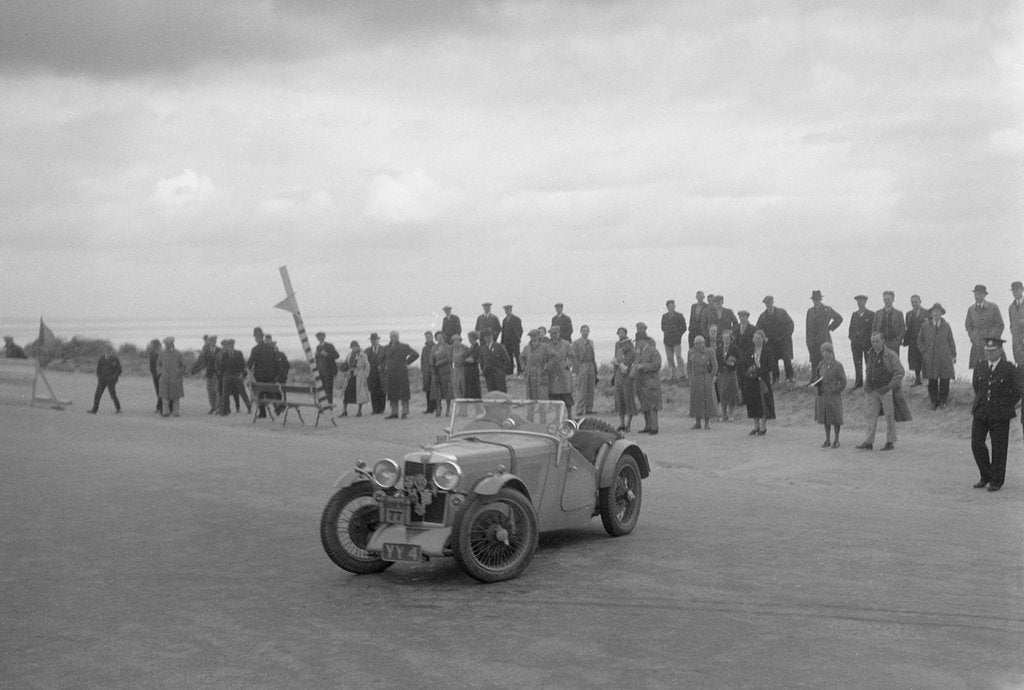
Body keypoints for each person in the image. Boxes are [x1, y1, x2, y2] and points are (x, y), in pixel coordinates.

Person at [970, 338, 1020, 492]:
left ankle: (996, 481)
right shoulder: (980, 366)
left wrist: (1005, 405)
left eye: (993, 351)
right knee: (976, 443)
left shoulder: (1009, 368)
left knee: (999, 448)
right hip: (981, 411)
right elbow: (977, 386)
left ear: (1000, 351)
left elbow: (1017, 391)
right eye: (987, 350)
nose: (989, 353)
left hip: (1000, 414)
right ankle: (986, 475)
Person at [855, 332, 908, 451]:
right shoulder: (870, 354)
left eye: (877, 341)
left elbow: (900, 372)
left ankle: (890, 442)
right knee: (870, 416)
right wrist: (866, 385)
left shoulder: (890, 355)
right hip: (871, 391)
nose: (875, 344)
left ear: (883, 341)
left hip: (886, 390)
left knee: (889, 416)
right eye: (873, 341)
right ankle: (868, 442)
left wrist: (890, 386)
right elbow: (868, 371)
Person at [917, 303, 956, 410]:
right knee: (932, 379)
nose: (935, 313)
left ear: (941, 313)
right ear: (931, 313)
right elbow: (919, 341)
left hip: (944, 356)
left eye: (938, 311)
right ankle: (934, 402)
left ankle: (943, 401)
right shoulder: (925, 326)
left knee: (945, 379)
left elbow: (951, 341)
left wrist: (953, 355)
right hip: (930, 357)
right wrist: (924, 351)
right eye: (934, 311)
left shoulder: (946, 326)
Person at [741, 330, 775, 435]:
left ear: (763, 339)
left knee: (763, 404)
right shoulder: (749, 352)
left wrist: (758, 372)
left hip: (763, 381)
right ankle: (755, 426)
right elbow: (744, 365)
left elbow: (770, 366)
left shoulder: (768, 352)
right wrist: (749, 372)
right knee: (753, 404)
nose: (757, 340)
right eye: (755, 338)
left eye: (759, 338)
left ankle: (763, 427)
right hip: (751, 382)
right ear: (752, 339)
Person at [755, 295, 795, 384]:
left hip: (783, 342)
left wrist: (787, 335)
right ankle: (775, 379)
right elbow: (758, 329)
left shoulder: (782, 312)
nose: (768, 304)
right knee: (773, 361)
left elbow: (790, 324)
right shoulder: (763, 316)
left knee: (786, 359)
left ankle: (790, 378)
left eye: (769, 302)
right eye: (766, 303)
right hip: (771, 342)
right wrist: (764, 338)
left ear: (772, 302)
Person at [814, 342, 847, 448]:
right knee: (825, 418)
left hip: (833, 395)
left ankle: (836, 439)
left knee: (836, 418)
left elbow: (843, 381)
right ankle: (827, 439)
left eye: (826, 351)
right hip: (823, 394)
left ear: (831, 352)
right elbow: (817, 377)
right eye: (823, 352)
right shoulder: (820, 364)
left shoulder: (837, 365)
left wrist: (835, 389)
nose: (824, 354)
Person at [806, 290, 844, 381]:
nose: (816, 301)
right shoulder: (810, 311)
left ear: (820, 299)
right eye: (814, 299)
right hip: (813, 340)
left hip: (824, 339)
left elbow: (839, 318)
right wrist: (808, 339)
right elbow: (807, 326)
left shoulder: (827, 309)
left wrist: (830, 328)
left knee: (828, 359)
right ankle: (814, 379)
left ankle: (830, 379)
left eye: (818, 299)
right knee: (814, 360)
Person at [380, 331, 418, 419]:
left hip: (401, 373)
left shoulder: (404, 346)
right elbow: (381, 358)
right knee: (392, 393)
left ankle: (404, 412)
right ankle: (394, 412)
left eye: (396, 336)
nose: (394, 337)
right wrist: (383, 367)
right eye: (393, 336)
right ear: (390, 337)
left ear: (398, 337)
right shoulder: (386, 348)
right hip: (391, 373)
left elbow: (415, 354)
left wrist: (407, 362)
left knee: (404, 393)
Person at [965, 284, 1004, 368]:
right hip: (977, 344)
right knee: (978, 369)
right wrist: (973, 336)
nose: (977, 296)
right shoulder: (971, 309)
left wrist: (993, 338)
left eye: (979, 294)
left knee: (995, 367)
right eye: (975, 294)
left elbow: (1000, 325)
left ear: (984, 295)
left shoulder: (993, 307)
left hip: (991, 344)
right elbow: (968, 325)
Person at [631, 335, 662, 434]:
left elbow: (657, 365)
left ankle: (654, 426)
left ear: (644, 341)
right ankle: (648, 425)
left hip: (651, 381)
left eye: (638, 341)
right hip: (641, 382)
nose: (637, 343)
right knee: (645, 404)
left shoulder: (653, 351)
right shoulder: (638, 353)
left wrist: (643, 366)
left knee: (653, 405)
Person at [687, 335, 718, 429]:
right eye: (696, 343)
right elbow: (688, 366)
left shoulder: (710, 351)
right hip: (695, 379)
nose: (698, 345)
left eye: (700, 343)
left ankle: (707, 422)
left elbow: (715, 366)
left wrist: (710, 377)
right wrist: (690, 377)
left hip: (706, 378)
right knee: (696, 400)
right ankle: (697, 422)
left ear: (704, 343)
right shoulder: (691, 352)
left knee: (707, 400)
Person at [247, 330, 278, 418]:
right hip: (270, 375)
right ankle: (276, 406)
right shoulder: (270, 348)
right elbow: (276, 362)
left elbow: (250, 363)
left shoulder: (255, 349)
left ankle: (262, 412)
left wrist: (245, 374)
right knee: (269, 392)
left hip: (259, 376)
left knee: (259, 393)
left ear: (257, 338)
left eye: (255, 337)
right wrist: (275, 374)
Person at [611, 327, 637, 432]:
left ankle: (628, 424)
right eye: (622, 344)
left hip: (628, 379)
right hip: (618, 378)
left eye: (626, 344)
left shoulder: (633, 353)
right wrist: (615, 366)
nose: (624, 346)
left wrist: (625, 367)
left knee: (629, 401)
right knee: (619, 400)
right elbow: (616, 363)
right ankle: (621, 423)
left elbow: (634, 366)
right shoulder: (619, 352)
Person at [216, 339, 250, 415]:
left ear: (234, 345)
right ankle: (224, 411)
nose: (230, 346)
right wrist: (221, 375)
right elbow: (222, 366)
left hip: (236, 375)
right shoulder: (224, 354)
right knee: (225, 394)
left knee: (242, 392)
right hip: (227, 375)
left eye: (232, 344)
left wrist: (243, 374)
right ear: (227, 346)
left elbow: (242, 365)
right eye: (229, 345)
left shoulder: (238, 353)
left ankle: (249, 407)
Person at [847, 294, 874, 389]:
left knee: (869, 363)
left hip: (867, 344)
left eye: (861, 301)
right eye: (858, 301)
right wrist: (853, 338)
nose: (859, 303)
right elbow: (850, 330)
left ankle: (869, 382)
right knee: (857, 363)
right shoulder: (854, 315)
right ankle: (858, 382)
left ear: (865, 302)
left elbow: (873, 330)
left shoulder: (871, 314)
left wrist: (869, 340)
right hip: (856, 344)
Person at [570, 325, 597, 416]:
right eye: (583, 331)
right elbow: (574, 357)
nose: (585, 332)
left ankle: (589, 408)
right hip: (582, 365)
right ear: (581, 332)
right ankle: (579, 409)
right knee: (582, 389)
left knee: (591, 388)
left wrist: (595, 369)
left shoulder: (591, 342)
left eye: (587, 330)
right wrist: (576, 370)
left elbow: (593, 357)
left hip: (590, 365)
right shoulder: (576, 343)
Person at [190, 335, 221, 414]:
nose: (213, 342)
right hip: (209, 374)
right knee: (210, 391)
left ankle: (218, 407)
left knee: (217, 391)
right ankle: (213, 407)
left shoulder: (220, 350)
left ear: (216, 341)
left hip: (217, 374)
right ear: (209, 342)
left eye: (214, 341)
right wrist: (194, 370)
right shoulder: (206, 351)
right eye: (211, 341)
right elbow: (202, 362)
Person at [716, 329, 742, 422]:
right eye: (724, 338)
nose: (726, 340)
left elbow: (740, 360)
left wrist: (734, 363)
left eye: (727, 338)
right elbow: (716, 362)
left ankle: (730, 414)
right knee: (722, 394)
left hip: (731, 373)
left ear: (731, 339)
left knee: (731, 394)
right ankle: (723, 414)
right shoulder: (718, 348)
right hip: (721, 373)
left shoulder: (734, 348)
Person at [546, 325, 574, 412]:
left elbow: (572, 357)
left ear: (559, 333)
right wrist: (546, 366)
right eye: (552, 333)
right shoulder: (547, 345)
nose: (554, 335)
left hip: (563, 371)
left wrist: (568, 364)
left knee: (566, 395)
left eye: (555, 333)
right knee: (554, 396)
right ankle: (556, 416)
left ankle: (570, 415)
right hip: (552, 372)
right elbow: (543, 358)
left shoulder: (566, 344)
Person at [157, 336, 186, 417]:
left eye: (167, 344)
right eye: (165, 344)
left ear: (172, 344)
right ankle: (165, 412)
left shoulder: (178, 354)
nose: (166, 346)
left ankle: (176, 412)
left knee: (176, 397)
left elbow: (184, 365)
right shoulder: (162, 354)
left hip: (175, 379)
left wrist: (179, 373)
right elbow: (158, 364)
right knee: (164, 396)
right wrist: (160, 373)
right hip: (164, 379)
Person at [872, 290, 906, 360]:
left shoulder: (898, 313)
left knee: (894, 363)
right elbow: (874, 327)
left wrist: (898, 341)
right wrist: (875, 340)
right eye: (885, 299)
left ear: (893, 299)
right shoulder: (878, 313)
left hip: (893, 343)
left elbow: (902, 329)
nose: (886, 301)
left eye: (888, 299)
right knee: (881, 363)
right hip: (880, 343)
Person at [88, 345, 122, 414]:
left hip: (111, 380)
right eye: (107, 350)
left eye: (109, 350)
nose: (108, 352)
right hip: (102, 379)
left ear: (111, 351)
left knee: (113, 395)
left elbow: (119, 370)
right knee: (97, 395)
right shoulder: (101, 358)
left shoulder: (115, 359)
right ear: (105, 351)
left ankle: (118, 409)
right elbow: (98, 369)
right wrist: (99, 376)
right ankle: (94, 410)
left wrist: (114, 377)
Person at [339, 340, 369, 417]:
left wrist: (365, 376)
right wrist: (343, 368)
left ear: (358, 347)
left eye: (355, 346)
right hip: (350, 376)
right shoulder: (349, 355)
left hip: (359, 375)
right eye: (352, 347)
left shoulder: (363, 355)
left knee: (359, 393)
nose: (354, 348)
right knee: (346, 392)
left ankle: (359, 411)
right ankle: (344, 410)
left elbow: (367, 366)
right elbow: (346, 364)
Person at [660, 300, 687, 381]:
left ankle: (682, 374)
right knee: (669, 358)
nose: (670, 308)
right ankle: (673, 374)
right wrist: (667, 331)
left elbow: (684, 328)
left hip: (676, 340)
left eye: (672, 306)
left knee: (678, 356)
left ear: (674, 306)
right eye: (669, 306)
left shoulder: (679, 315)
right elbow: (662, 327)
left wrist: (678, 334)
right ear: (667, 307)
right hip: (667, 340)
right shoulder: (664, 316)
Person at [520, 329, 550, 400]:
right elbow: (521, 357)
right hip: (530, 373)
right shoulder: (527, 348)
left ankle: (543, 410)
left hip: (541, 372)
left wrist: (546, 367)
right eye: (531, 336)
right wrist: (524, 368)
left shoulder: (545, 347)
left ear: (538, 336)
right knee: (530, 394)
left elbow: (552, 358)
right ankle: (531, 410)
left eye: (535, 336)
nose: (533, 338)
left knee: (542, 393)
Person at [478, 329, 511, 394]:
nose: (488, 338)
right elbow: (481, 362)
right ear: (484, 338)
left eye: (489, 336)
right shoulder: (483, 348)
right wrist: (484, 370)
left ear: (492, 336)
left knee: (501, 392)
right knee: (491, 393)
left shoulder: (499, 346)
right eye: (486, 336)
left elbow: (507, 360)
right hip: (488, 374)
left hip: (498, 374)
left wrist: (501, 370)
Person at [904, 295, 927, 386]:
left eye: (916, 301)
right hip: (913, 340)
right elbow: (908, 327)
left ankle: (927, 380)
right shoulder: (908, 314)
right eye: (912, 302)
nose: (914, 303)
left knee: (924, 360)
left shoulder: (926, 312)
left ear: (920, 301)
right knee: (915, 361)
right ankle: (918, 380)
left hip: (924, 340)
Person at [430, 331, 453, 416]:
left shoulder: (448, 347)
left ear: (443, 337)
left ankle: (447, 409)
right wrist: (432, 365)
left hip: (445, 371)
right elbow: (431, 358)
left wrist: (440, 362)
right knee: (437, 391)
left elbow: (449, 358)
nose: (439, 339)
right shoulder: (434, 348)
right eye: (437, 337)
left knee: (447, 391)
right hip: (436, 372)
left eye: (440, 337)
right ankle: (438, 408)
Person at [314, 331, 340, 405]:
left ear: (324, 337)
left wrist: (326, 354)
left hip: (329, 372)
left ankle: (329, 406)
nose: (320, 338)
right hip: (320, 372)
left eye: (321, 336)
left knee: (328, 390)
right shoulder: (318, 347)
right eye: (318, 337)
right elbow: (318, 360)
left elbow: (337, 356)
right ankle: (323, 406)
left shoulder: (329, 346)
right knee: (321, 390)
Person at [500, 305, 524, 375]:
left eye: (508, 310)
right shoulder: (504, 320)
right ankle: (510, 371)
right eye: (505, 310)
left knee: (517, 356)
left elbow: (520, 330)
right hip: (506, 342)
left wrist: (517, 338)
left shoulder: (516, 319)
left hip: (514, 342)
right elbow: (503, 332)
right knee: (508, 357)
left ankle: (520, 371)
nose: (506, 311)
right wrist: (502, 342)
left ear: (511, 310)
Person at [365, 333, 386, 414]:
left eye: (375, 340)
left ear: (378, 340)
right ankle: (375, 409)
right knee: (373, 391)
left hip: (382, 374)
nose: (373, 341)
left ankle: (381, 409)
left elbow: (387, 360)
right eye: (372, 340)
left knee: (382, 391)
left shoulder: (383, 349)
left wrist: (383, 366)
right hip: (371, 374)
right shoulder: (367, 350)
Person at [1008, 281, 1024, 365]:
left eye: (1017, 290)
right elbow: (1011, 323)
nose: (1015, 293)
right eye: (1014, 291)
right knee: (1020, 365)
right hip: (1017, 341)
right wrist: (1013, 332)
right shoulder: (1011, 307)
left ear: (1022, 290)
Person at [420, 330, 435, 413]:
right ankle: (429, 407)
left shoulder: (435, 346)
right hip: (426, 372)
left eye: (429, 337)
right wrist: (423, 370)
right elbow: (422, 360)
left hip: (433, 372)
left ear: (432, 337)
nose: (427, 338)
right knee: (427, 391)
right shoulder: (424, 348)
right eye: (426, 337)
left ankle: (434, 407)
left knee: (434, 390)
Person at [463, 331, 482, 398]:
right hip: (468, 370)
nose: (469, 340)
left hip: (473, 369)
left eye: (470, 338)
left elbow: (472, 359)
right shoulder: (471, 347)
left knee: (475, 387)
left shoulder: (477, 347)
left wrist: (466, 360)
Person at [449, 334, 469, 399]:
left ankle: (464, 400)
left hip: (463, 369)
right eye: (454, 341)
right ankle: (458, 401)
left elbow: (468, 357)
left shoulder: (465, 348)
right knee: (455, 386)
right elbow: (449, 358)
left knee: (463, 386)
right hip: (455, 369)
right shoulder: (451, 348)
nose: (456, 342)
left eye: (458, 340)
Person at [147, 338, 163, 414]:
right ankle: (160, 406)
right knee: (158, 391)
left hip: (160, 374)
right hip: (155, 374)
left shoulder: (161, 353)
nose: (151, 345)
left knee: (161, 391)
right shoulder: (152, 353)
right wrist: (153, 372)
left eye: (152, 344)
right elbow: (151, 365)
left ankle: (160, 407)